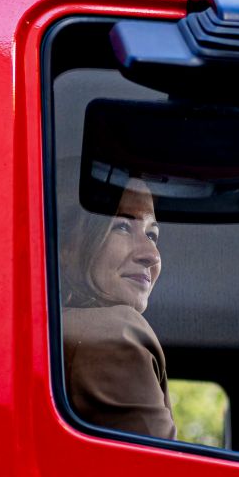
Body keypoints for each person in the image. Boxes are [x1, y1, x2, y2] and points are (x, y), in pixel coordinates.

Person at [60, 181, 176, 439]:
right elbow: (161, 472)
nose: (152, 254)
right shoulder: (115, 333)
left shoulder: (54, 332)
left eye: (151, 235)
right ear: (66, 246)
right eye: (122, 226)